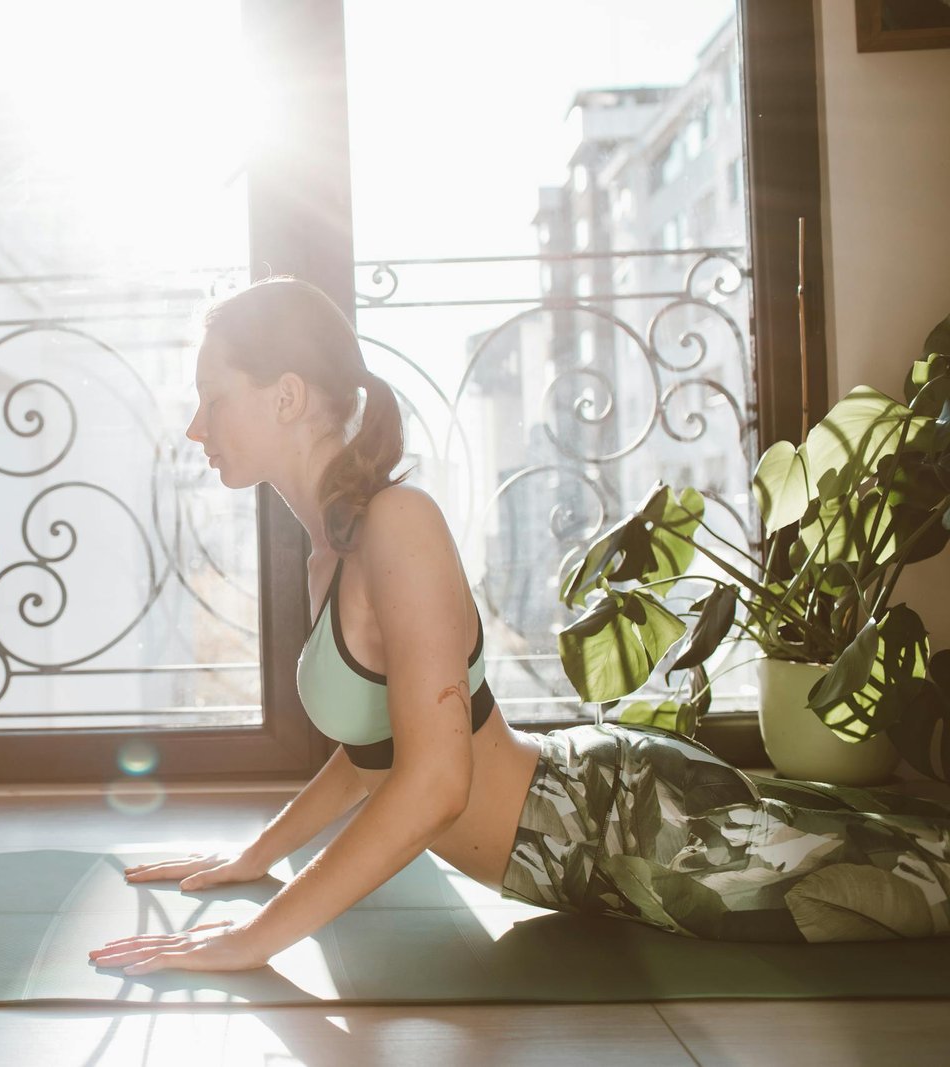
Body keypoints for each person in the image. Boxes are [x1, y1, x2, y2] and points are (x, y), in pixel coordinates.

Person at [87, 276, 950, 977]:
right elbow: (371, 760)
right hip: (580, 854)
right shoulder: (332, 555)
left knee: (915, 884)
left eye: (212, 398)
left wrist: (254, 938)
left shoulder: (399, 523)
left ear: (285, 397)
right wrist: (256, 853)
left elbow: (437, 785)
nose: (196, 427)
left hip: (626, 824)